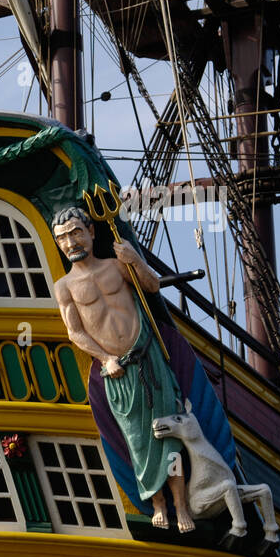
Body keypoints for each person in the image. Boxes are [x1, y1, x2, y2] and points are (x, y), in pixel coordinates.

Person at [51, 206, 194, 532]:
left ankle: (181, 505)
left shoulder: (117, 266)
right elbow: (75, 332)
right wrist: (105, 358)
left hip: (147, 356)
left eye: (75, 232)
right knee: (139, 442)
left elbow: (152, 286)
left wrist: (134, 259)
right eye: (62, 238)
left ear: (91, 232)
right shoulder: (65, 287)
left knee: (168, 435)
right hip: (117, 369)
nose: (70, 242)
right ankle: (158, 505)